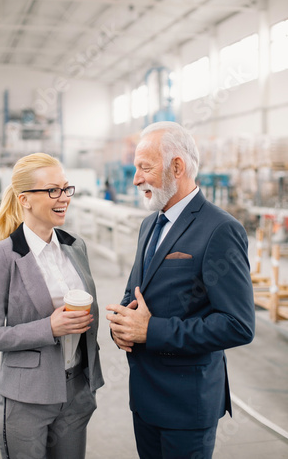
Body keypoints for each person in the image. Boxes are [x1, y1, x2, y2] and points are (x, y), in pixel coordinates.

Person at [106, 122, 255, 459]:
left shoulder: (220, 229)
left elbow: (238, 325)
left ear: (177, 166)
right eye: (135, 168)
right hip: (144, 397)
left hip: (186, 407)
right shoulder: (150, 223)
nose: (136, 178)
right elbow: (137, 292)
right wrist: (123, 324)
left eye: (145, 167)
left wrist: (150, 330)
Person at [0, 153, 104, 459]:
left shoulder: (75, 246)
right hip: (27, 398)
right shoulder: (5, 256)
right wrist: (49, 328)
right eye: (51, 190)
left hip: (75, 393)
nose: (63, 198)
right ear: (25, 200)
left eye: (65, 188)